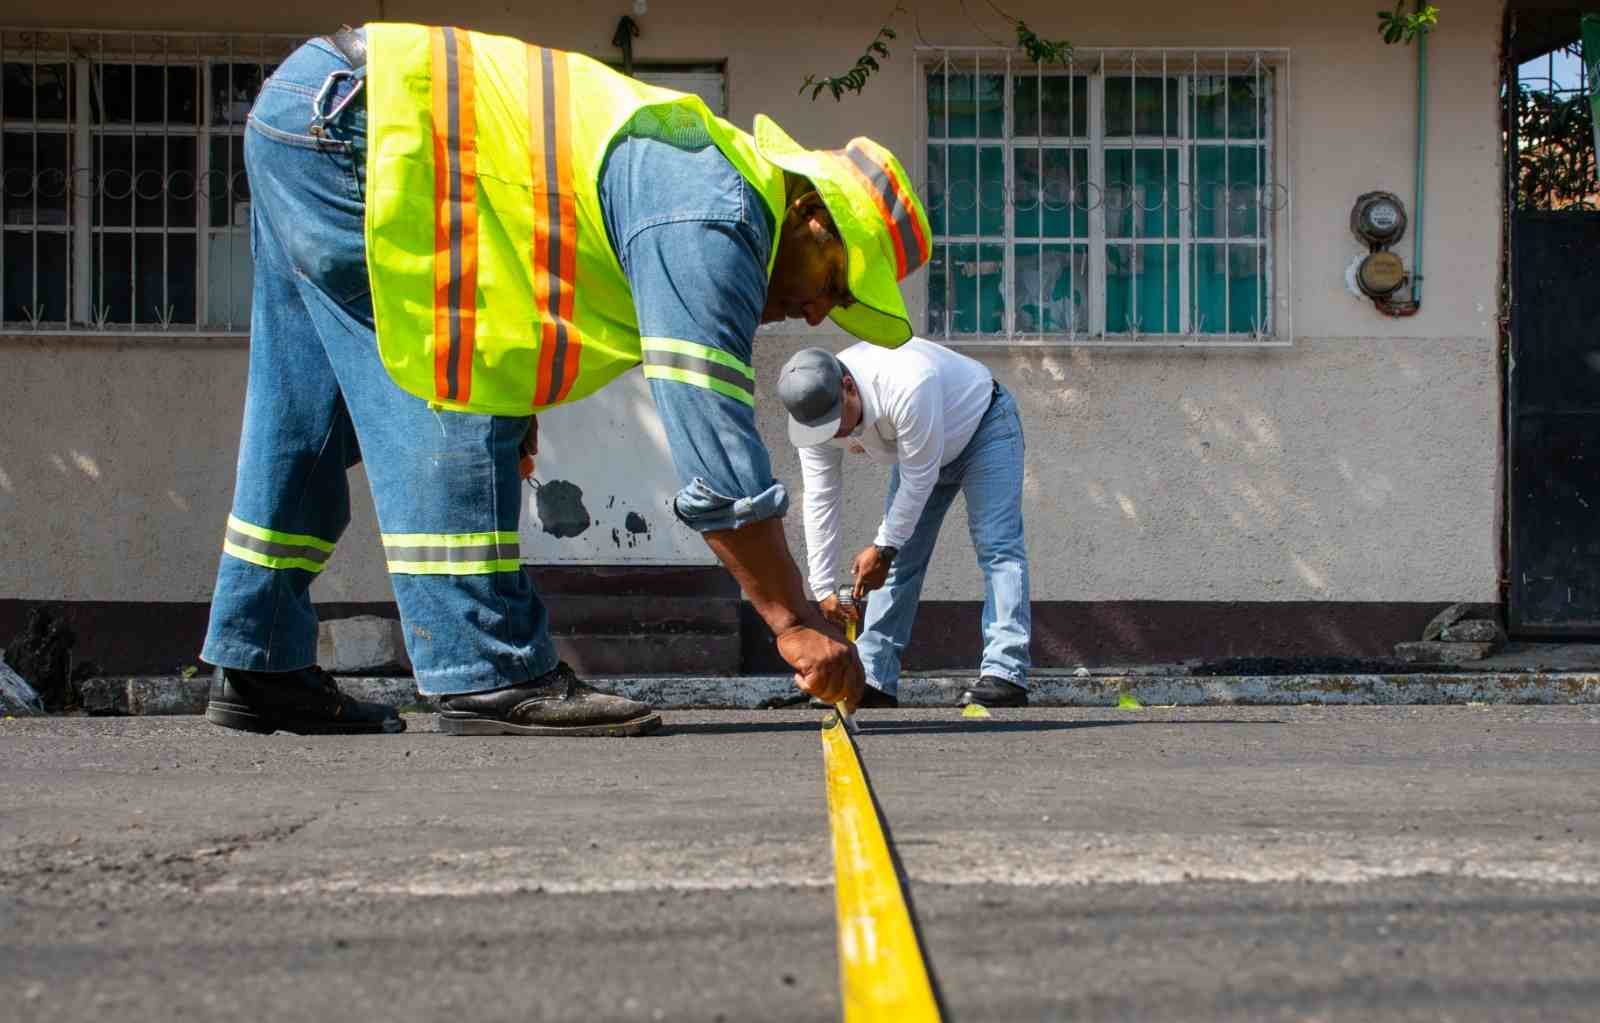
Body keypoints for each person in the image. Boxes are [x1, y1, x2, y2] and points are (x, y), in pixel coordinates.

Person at [199, 23, 934, 736]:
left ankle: (257, 655)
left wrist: (521, 405)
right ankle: (487, 664)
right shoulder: (718, 209)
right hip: (366, 125)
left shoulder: (695, 180)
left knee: (303, 412)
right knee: (453, 384)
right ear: (808, 213)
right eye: (835, 283)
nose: (815, 316)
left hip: (319, 111)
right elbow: (712, 436)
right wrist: (794, 622)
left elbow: (516, 270)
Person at [776, 341, 1031, 709]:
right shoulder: (813, 417)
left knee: (998, 547)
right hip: (921, 452)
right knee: (898, 564)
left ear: (848, 386)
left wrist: (883, 547)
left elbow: (918, 478)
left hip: (984, 428)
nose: (835, 434)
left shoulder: (907, 381)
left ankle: (1006, 673)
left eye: (837, 421)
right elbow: (819, 498)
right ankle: (873, 679)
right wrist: (823, 587)